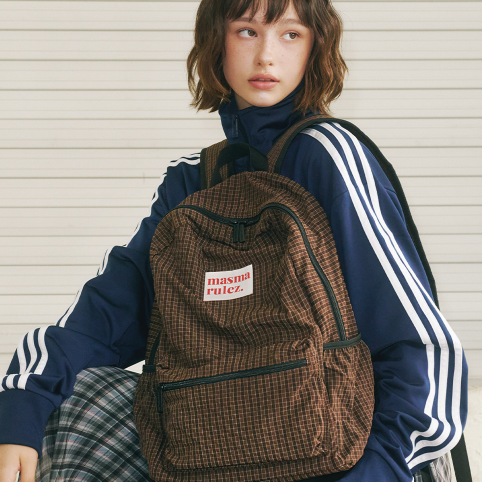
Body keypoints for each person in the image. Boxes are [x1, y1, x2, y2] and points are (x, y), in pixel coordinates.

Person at [0, 0, 468, 481]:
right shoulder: (193, 180)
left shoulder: (328, 157)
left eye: (290, 34)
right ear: (216, 41)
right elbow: (108, 313)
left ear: (315, 49)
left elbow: (418, 345)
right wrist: (22, 408)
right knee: (73, 402)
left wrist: (378, 467)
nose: (266, 55)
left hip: (358, 450)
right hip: (223, 440)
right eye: (247, 31)